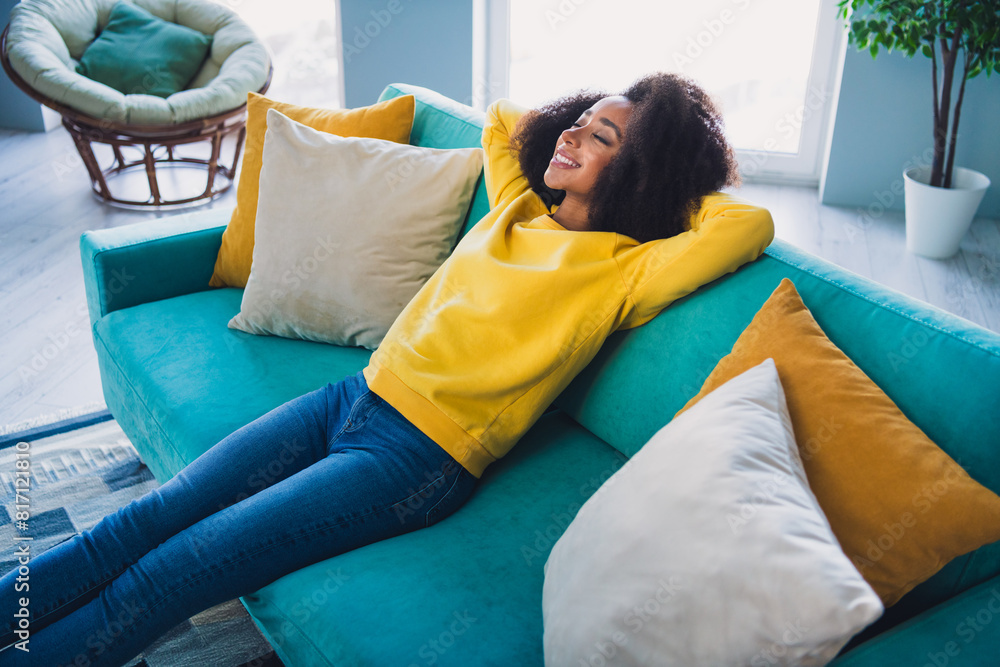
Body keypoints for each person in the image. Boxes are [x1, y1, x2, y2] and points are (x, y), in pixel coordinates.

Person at [0, 71, 773, 666]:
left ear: (641, 168)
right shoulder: (516, 207)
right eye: (578, 119)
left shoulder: (626, 270)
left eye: (601, 137)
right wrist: (601, 122)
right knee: (141, 521)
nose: (570, 135)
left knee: (176, 569)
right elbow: (506, 122)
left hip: (410, 460)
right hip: (350, 396)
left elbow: (748, 223)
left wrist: (665, 161)